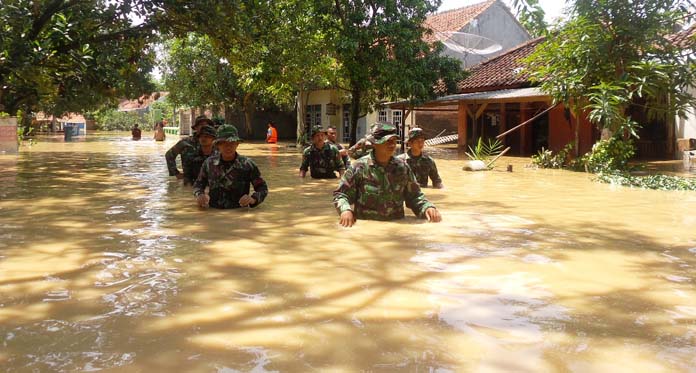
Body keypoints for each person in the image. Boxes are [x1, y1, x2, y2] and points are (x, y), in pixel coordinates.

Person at [333, 122, 441, 227]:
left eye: (394, 140)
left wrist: (427, 208)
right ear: (374, 143)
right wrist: (345, 210)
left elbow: (415, 197)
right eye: (387, 141)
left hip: (397, 228)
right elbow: (341, 195)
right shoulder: (359, 167)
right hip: (367, 229)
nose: (392, 144)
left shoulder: (402, 167)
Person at [193, 124, 268, 209]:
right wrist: (199, 195)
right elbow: (198, 184)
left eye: (232, 143)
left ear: (237, 144)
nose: (228, 147)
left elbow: (262, 188)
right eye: (223, 143)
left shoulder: (248, 164)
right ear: (217, 145)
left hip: (240, 214)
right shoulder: (208, 164)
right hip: (213, 212)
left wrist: (253, 199)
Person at [165, 115, 213, 181]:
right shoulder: (185, 142)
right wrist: (176, 173)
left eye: (207, 125)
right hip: (190, 181)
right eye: (201, 125)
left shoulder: (216, 143)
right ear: (195, 127)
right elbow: (169, 155)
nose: (204, 127)